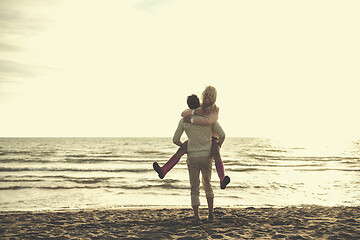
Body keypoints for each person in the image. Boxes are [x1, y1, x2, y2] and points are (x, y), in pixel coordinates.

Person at [153, 86, 230, 189]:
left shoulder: (214, 110)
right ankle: (164, 170)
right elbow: (184, 113)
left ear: (214, 98)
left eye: (211, 96)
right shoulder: (201, 107)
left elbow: (208, 121)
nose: (208, 98)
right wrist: (194, 112)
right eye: (206, 95)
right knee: (181, 149)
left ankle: (222, 179)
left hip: (212, 137)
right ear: (203, 95)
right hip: (199, 138)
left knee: (216, 153)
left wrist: (219, 144)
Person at [172, 94, 226, 223]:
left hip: (192, 157)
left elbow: (175, 140)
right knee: (208, 185)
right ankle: (211, 214)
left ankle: (197, 217)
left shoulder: (184, 120)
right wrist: (218, 144)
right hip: (207, 156)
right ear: (199, 103)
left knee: (194, 187)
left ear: (188, 105)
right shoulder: (208, 119)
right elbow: (223, 134)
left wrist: (185, 146)